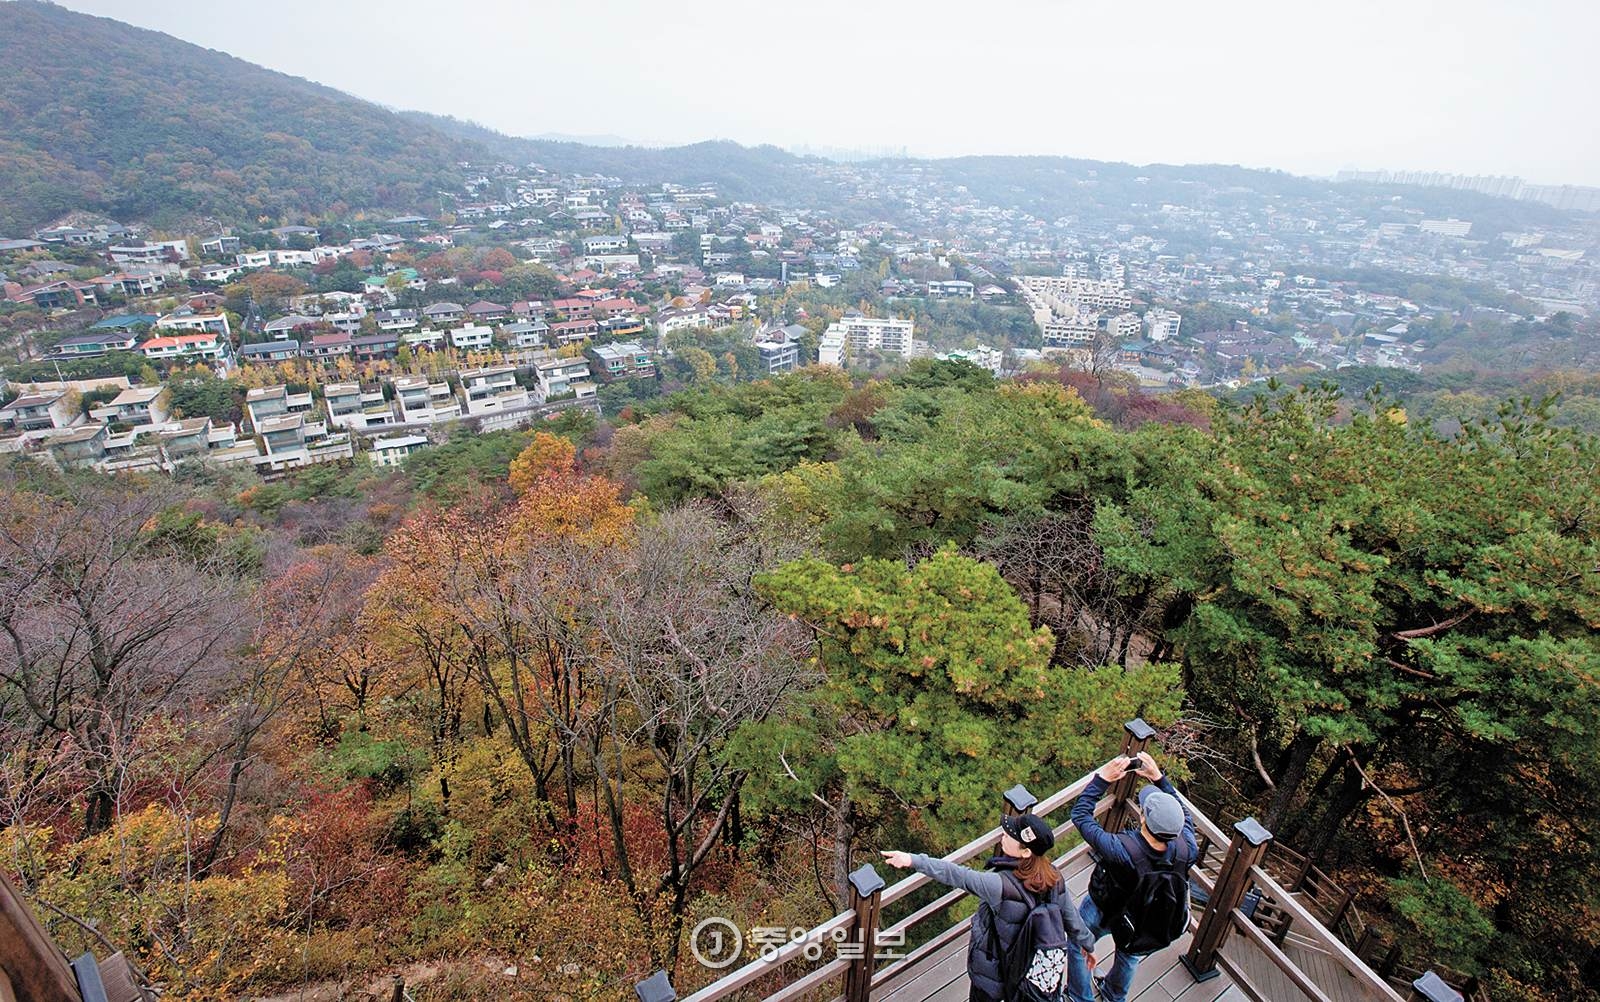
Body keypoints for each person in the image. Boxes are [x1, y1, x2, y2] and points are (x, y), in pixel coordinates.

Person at [882, 812, 1096, 1002]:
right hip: (1028, 968)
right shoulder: (1053, 877)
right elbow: (1071, 918)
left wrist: (912, 860)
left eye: (1010, 834)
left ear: (1025, 852)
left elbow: (956, 875)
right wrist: (1088, 944)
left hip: (993, 973)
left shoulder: (999, 886)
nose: (1004, 833)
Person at [1067, 751, 1198, 1002]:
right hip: (1146, 918)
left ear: (1142, 818)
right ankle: (1114, 997)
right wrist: (1158, 778)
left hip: (1105, 908)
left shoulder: (1122, 849)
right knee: (1130, 955)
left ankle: (1079, 997)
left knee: (1078, 944)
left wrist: (1102, 779)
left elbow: (1081, 815)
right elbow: (1185, 814)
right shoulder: (1187, 848)